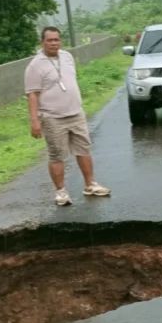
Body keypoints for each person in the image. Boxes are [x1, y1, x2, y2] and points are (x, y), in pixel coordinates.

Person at [25, 26, 110, 206]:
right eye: (50, 40)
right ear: (42, 42)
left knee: (84, 149)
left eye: (56, 39)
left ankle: (90, 185)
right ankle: (61, 192)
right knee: (57, 155)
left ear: (60, 41)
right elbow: (32, 94)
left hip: (76, 113)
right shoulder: (35, 65)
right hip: (52, 117)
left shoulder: (67, 57)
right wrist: (34, 121)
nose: (54, 43)